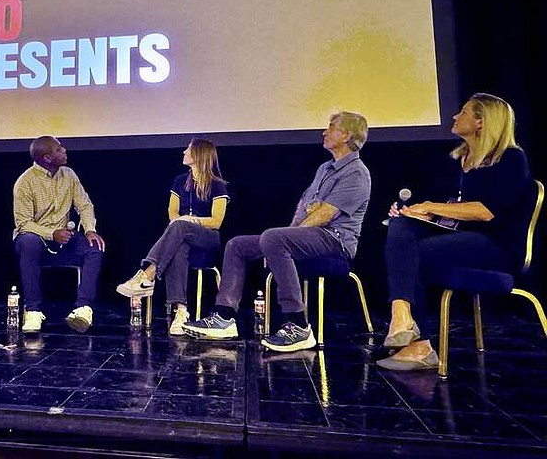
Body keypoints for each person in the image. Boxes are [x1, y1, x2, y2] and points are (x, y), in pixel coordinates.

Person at [183, 111, 371, 353]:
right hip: (311, 236)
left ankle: (298, 325)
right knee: (238, 245)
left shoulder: (356, 173)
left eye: (331, 127)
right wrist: (288, 238)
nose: (325, 131)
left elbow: (325, 214)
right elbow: (305, 207)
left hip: (336, 241)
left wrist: (286, 240)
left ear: (346, 135)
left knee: (274, 237)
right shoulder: (325, 168)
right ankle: (224, 317)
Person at [377, 93, 531, 371]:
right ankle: (402, 316)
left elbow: (486, 212)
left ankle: (417, 340)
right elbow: (450, 207)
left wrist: (429, 206)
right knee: (401, 227)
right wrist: (413, 212)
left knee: (413, 252)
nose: (454, 117)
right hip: (463, 239)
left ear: (481, 122)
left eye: (463, 112)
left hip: (496, 246)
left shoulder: (511, 158)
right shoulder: (461, 159)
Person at [116, 139, 229, 335]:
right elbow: (172, 213)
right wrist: (182, 221)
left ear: (199, 154)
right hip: (182, 237)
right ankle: (181, 312)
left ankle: (147, 274)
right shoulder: (179, 181)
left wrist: (190, 221)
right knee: (178, 248)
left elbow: (216, 221)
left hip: (208, 238)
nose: (184, 152)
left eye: (189, 149)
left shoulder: (218, 185)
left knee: (180, 226)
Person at [13, 136, 106, 333]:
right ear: (47, 158)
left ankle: (83, 309)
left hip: (65, 239)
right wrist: (51, 233)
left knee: (94, 246)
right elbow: (24, 223)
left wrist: (90, 229)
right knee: (28, 242)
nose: (64, 151)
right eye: (59, 149)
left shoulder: (69, 175)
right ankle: (33, 311)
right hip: (37, 238)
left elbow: (84, 204)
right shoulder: (25, 182)